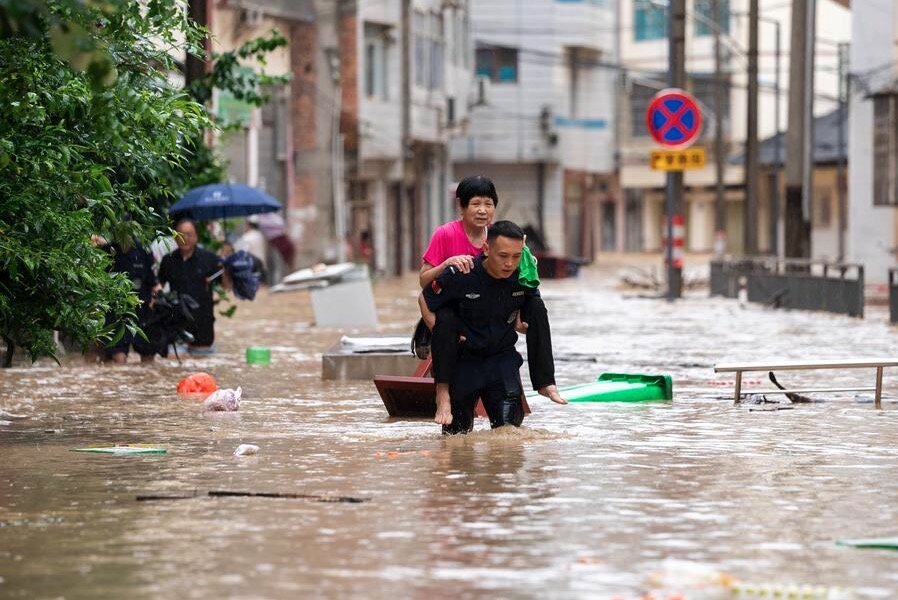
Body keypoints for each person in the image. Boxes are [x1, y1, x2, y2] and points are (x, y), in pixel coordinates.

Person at [417, 176, 562, 425]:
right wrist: (446, 265)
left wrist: (518, 313)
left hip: (494, 316)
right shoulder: (447, 236)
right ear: (461, 206)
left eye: (488, 204)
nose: (483, 210)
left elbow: (520, 288)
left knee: (536, 305)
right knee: (448, 319)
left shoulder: (504, 239)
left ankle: (545, 382)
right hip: (454, 310)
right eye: (475, 204)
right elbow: (423, 288)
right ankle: (443, 394)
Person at [158, 218, 224, 355]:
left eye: (189, 234)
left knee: (201, 371)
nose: (185, 238)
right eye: (181, 235)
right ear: (175, 237)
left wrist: (229, 268)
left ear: (196, 236)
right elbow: (158, 287)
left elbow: (225, 285)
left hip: (203, 326)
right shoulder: (167, 260)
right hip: (176, 326)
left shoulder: (210, 259)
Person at [91, 235, 161, 364]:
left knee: (148, 356)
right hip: (116, 312)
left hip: (142, 312)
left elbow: (154, 283)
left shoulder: (144, 250)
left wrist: (156, 298)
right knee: (119, 358)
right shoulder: (108, 250)